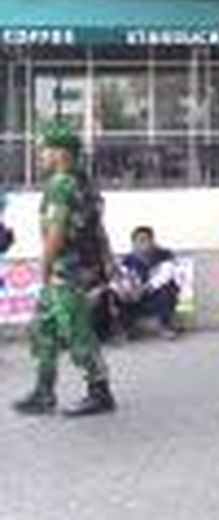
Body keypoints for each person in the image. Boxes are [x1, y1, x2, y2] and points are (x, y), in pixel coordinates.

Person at [13, 120, 117, 417]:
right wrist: (108, 260)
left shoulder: (61, 184)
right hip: (80, 267)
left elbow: (56, 232)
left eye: (44, 151)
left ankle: (100, 392)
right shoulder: (84, 182)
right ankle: (44, 392)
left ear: (60, 153)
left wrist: (43, 268)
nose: (40, 156)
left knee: (76, 330)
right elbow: (98, 228)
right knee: (44, 327)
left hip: (66, 271)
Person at [119, 226, 182, 339]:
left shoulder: (165, 255)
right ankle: (125, 329)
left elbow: (165, 275)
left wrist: (144, 289)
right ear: (133, 244)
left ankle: (166, 327)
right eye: (138, 241)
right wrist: (129, 289)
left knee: (167, 288)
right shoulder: (128, 260)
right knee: (120, 294)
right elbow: (124, 276)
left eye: (145, 240)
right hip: (137, 297)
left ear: (152, 241)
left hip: (156, 296)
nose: (143, 244)